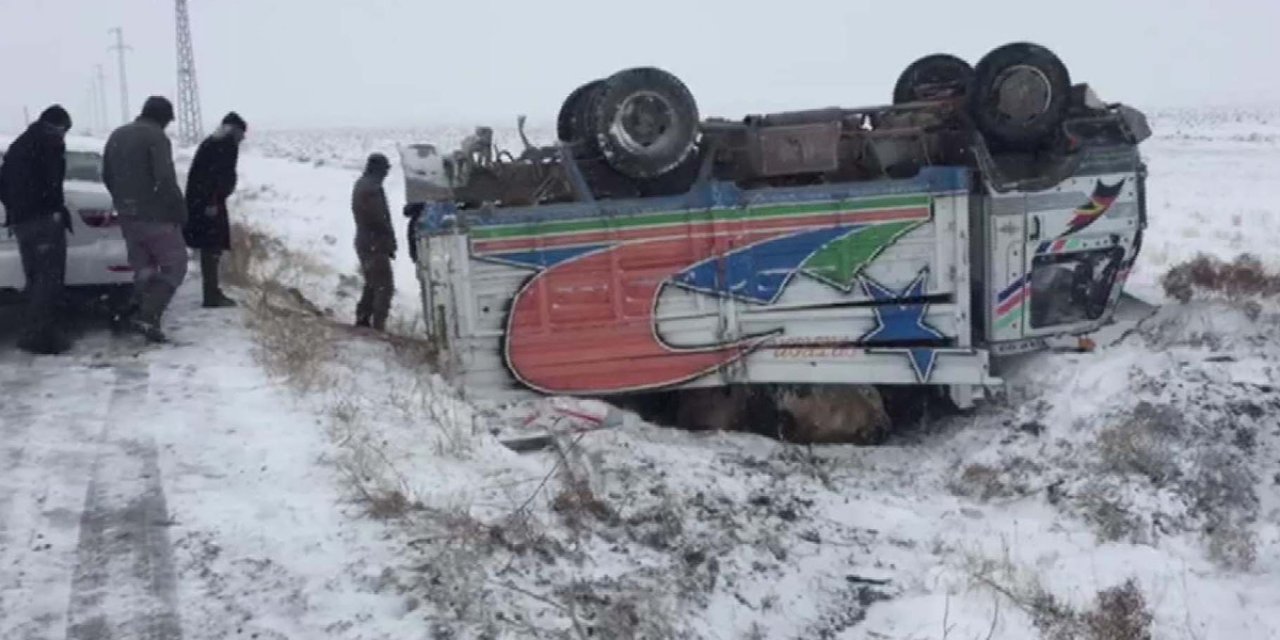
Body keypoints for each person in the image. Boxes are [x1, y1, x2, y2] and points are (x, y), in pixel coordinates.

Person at [102, 96, 188, 343]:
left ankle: (128, 312)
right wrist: (179, 211)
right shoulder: (156, 137)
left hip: (127, 216)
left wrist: (123, 200)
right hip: (156, 215)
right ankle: (147, 316)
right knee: (175, 266)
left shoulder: (117, 135)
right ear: (163, 118)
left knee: (144, 268)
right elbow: (165, 179)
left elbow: (106, 174)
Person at [0, 105, 74, 354]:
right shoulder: (48, 145)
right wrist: (52, 209)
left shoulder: (19, 146)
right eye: (64, 131)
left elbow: (3, 184)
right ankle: (40, 336)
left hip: (21, 223)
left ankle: (34, 332)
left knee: (35, 279)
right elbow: (52, 183)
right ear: (57, 126)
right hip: (43, 221)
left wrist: (14, 211)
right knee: (48, 281)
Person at [183, 112, 247, 308]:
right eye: (241, 133)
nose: (242, 138)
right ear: (234, 130)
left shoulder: (213, 142)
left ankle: (212, 291)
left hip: (203, 200)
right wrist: (212, 201)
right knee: (212, 246)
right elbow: (215, 175)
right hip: (210, 202)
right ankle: (211, 294)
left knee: (211, 246)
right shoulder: (226, 145)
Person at [351, 153, 397, 331]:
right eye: (385, 169)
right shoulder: (371, 188)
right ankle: (378, 327)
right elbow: (380, 219)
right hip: (374, 242)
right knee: (384, 286)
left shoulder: (363, 184)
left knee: (372, 283)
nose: (386, 173)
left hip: (366, 240)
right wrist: (388, 241)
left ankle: (363, 320)